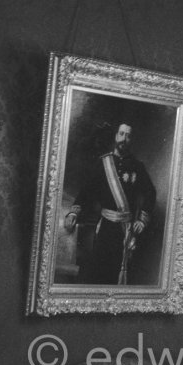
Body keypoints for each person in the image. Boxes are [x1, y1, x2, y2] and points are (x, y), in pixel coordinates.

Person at [64, 121, 156, 285]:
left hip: (125, 230)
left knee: (119, 272)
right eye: (121, 134)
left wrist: (142, 220)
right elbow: (86, 191)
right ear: (115, 136)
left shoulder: (137, 166)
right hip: (105, 228)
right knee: (99, 270)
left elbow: (150, 193)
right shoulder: (103, 163)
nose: (124, 139)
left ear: (131, 139)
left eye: (128, 136)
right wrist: (73, 212)